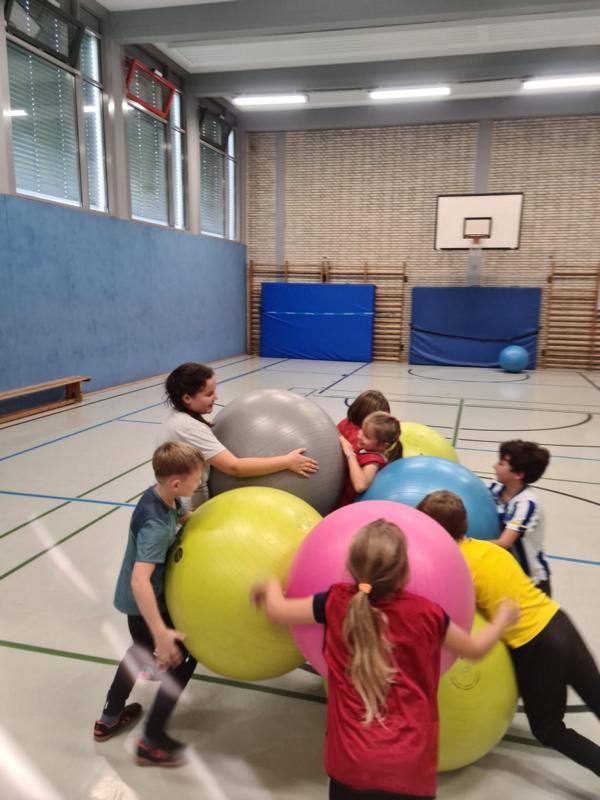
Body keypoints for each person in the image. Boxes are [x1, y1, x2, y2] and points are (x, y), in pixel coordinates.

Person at [252, 518, 518, 799]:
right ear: (404, 573)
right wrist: (501, 620)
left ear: (352, 568)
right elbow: (474, 649)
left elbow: (277, 610)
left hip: (351, 764)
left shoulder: (334, 603)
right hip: (408, 768)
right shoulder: (427, 614)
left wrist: (269, 585)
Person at [417, 489, 600, 778]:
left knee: (548, 729)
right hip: (559, 622)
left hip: (537, 646)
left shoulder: (455, 568)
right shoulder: (489, 548)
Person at [93, 441, 204, 767]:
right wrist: (161, 635)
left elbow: (183, 516)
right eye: (196, 478)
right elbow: (140, 581)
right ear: (176, 483)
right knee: (185, 659)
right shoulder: (154, 524)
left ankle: (109, 717)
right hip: (144, 603)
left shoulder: (164, 496)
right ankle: (151, 739)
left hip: (137, 602)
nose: (199, 482)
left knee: (139, 652)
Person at [157, 362, 319, 508]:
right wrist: (286, 462)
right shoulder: (189, 427)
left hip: (177, 496)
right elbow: (234, 467)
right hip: (182, 505)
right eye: (209, 394)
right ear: (187, 398)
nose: (216, 397)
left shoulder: (179, 417)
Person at [487, 439, 551, 595]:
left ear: (518, 474)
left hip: (531, 584)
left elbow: (504, 542)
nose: (494, 466)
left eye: (501, 464)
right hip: (507, 576)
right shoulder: (495, 488)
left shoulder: (526, 505)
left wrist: (462, 543)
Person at [337, 411, 402, 507]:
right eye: (362, 429)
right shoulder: (366, 448)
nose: (360, 435)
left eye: (366, 436)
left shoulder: (373, 461)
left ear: (382, 446)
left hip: (348, 506)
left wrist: (350, 454)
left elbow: (360, 486)